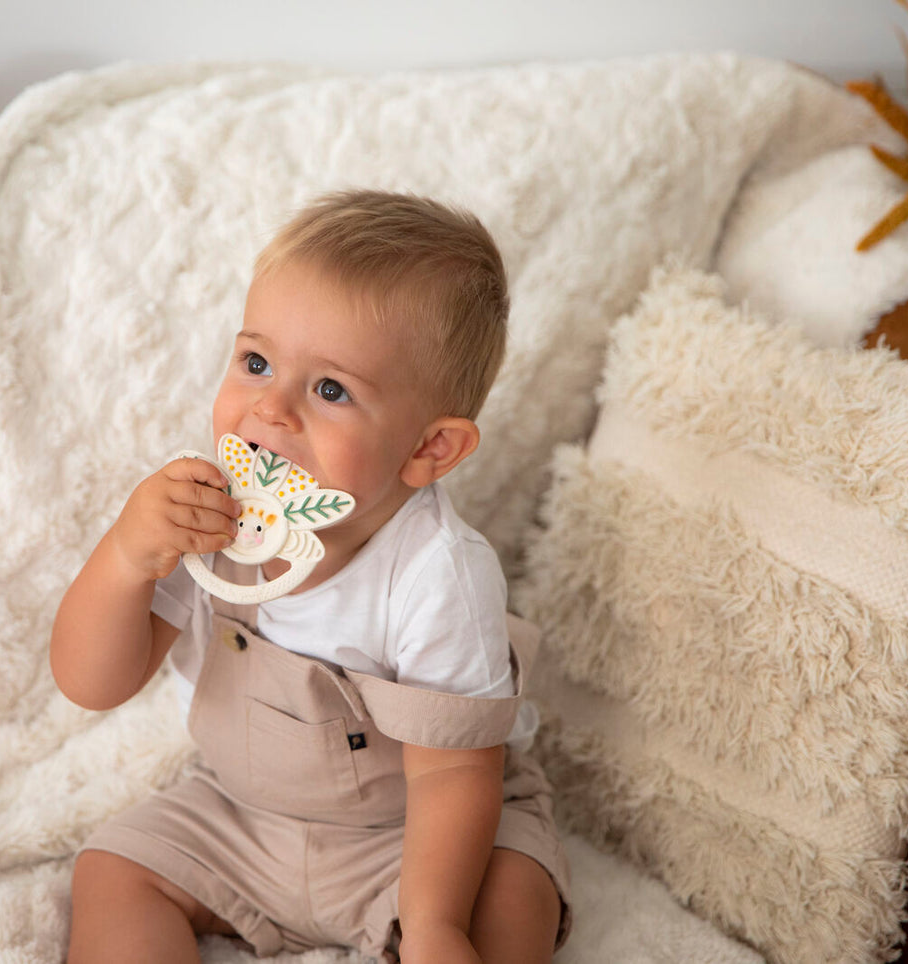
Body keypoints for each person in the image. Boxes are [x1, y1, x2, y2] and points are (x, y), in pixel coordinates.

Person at [49, 189, 570, 963]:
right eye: (256, 362)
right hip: (239, 815)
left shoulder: (438, 574)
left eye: (329, 390)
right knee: (111, 871)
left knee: (508, 900)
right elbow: (92, 682)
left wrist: (432, 925)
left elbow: (451, 776)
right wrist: (126, 557)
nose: (271, 409)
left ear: (429, 449)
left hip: (415, 839)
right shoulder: (205, 517)